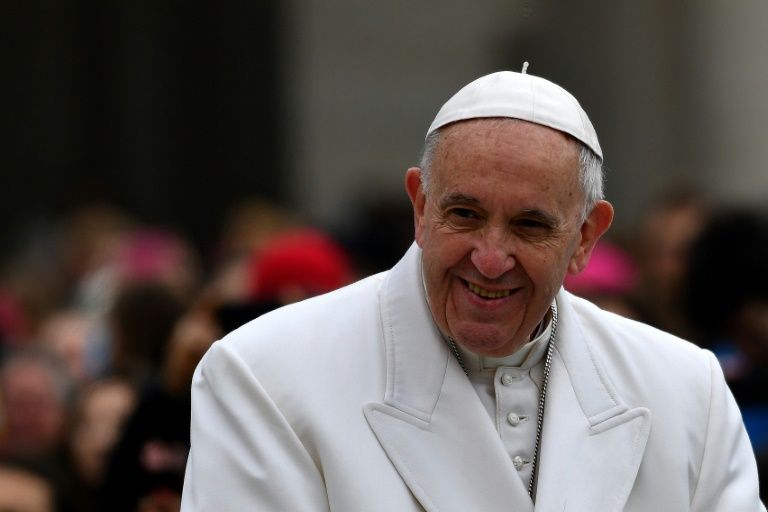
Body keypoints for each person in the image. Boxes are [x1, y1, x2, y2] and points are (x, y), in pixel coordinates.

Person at [181, 70, 764, 511]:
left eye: (530, 225)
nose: (489, 259)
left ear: (586, 236)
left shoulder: (687, 389)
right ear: (421, 206)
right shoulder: (263, 375)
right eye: (463, 214)